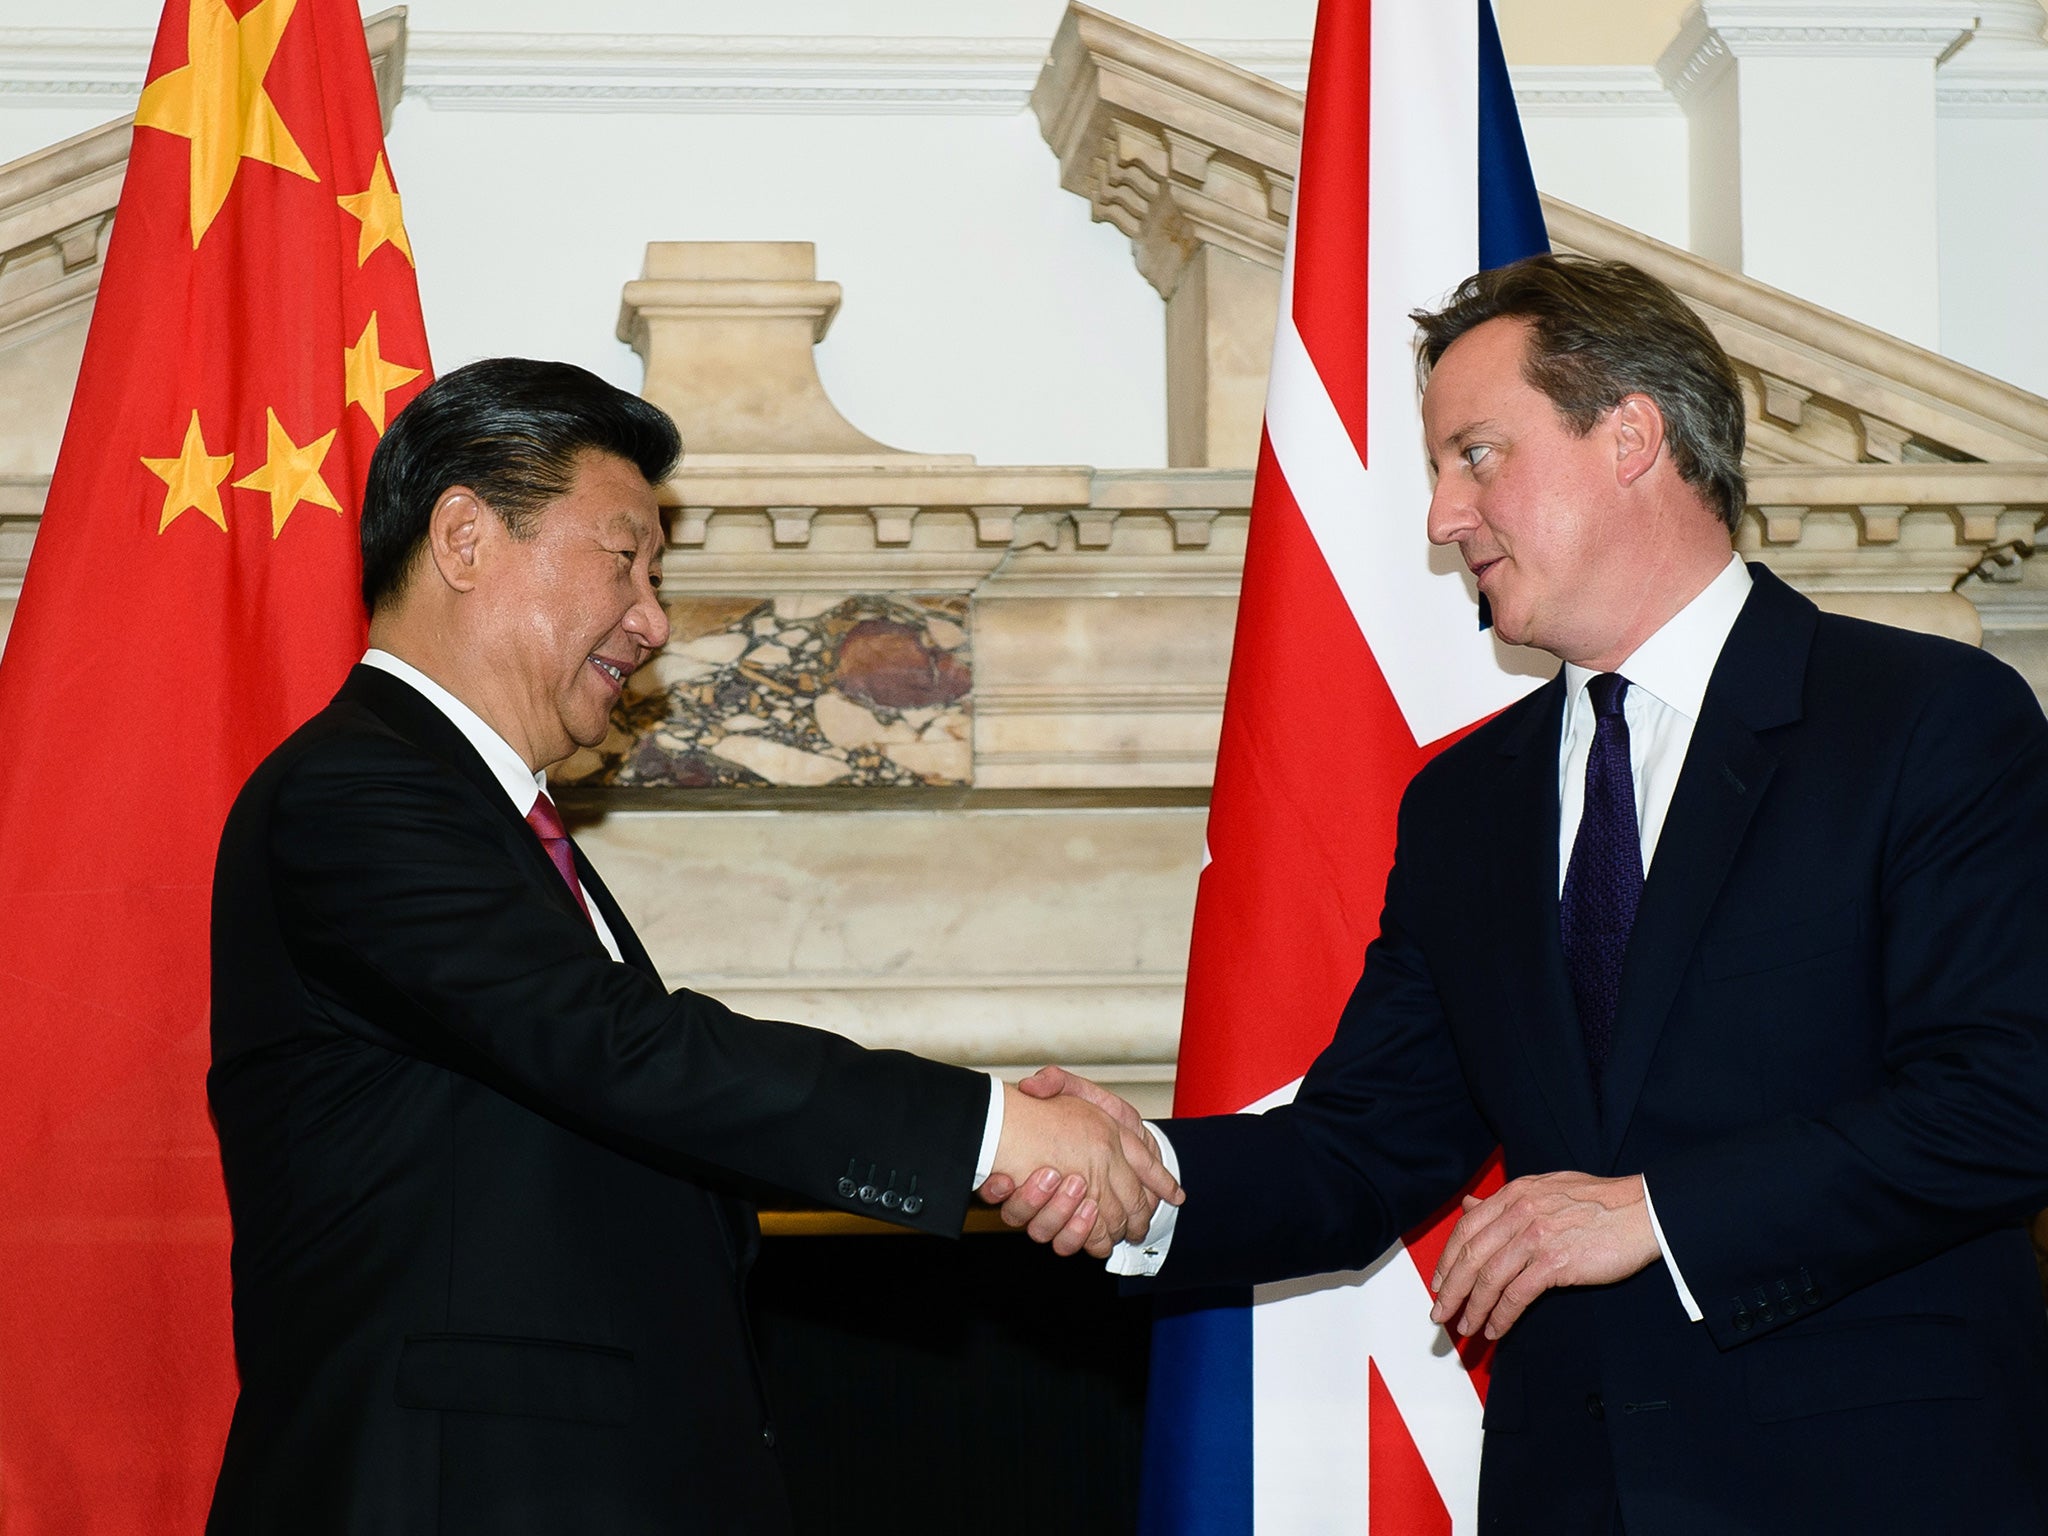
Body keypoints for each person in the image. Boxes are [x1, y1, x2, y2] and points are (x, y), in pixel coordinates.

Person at [989, 255, 2048, 1533]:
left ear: (1629, 438)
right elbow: (1362, 1146)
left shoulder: (1922, 719)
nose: (1442, 516)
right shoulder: (1465, 804)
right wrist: (1130, 1167)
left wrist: (1655, 1214)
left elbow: (2005, 1099)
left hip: (1871, 1488)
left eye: (1475, 454)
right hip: (1568, 1493)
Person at [205, 357, 1179, 1534]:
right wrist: (992, 1130)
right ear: (463, 538)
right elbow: (625, 1051)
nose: (654, 622)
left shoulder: (490, 824)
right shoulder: (352, 792)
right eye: (623, 560)